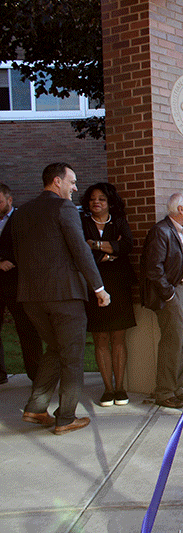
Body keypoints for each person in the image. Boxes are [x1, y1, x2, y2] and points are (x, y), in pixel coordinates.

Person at [14, 163, 110, 434]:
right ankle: (66, 417)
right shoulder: (63, 208)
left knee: (55, 349)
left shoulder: (21, 213)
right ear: (57, 182)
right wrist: (99, 288)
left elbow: (17, 253)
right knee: (72, 356)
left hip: (31, 297)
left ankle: (35, 408)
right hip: (64, 296)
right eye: (72, 182)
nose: (75, 188)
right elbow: (80, 250)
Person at [80, 183, 137, 407]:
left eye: (102, 199)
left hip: (119, 286)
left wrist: (95, 245)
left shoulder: (119, 221)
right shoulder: (82, 223)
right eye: (93, 199)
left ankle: (120, 388)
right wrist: (110, 250)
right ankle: (108, 389)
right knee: (100, 338)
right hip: (94, 286)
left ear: (109, 202)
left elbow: (128, 246)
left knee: (118, 338)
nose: (97, 202)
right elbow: (81, 251)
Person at [141, 192, 183, 409]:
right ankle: (164, 392)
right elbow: (154, 268)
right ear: (180, 209)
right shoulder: (161, 231)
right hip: (172, 292)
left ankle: (177, 388)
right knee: (172, 342)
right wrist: (169, 294)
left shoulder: (179, 231)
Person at [0, 183, 42, 384]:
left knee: (26, 329)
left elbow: (29, 246)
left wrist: (11, 260)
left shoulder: (21, 220)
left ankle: (36, 375)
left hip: (17, 284)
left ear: (9, 200)